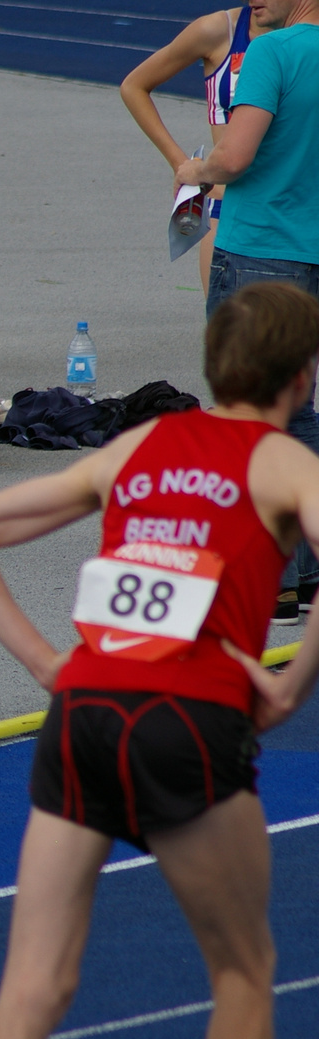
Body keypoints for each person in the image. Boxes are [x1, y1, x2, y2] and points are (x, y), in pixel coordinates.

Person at [0, 282, 319, 1039]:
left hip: (84, 712)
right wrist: (291, 685)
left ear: (215, 368)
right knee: (243, 975)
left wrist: (48, 665)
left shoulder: (140, 448)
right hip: (190, 717)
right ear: (302, 378)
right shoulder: (285, 460)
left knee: (32, 986)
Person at [176, 0, 319, 623]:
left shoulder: (272, 52)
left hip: (261, 249)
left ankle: (273, 578)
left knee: (248, 413)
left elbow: (235, 157)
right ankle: (308, 573)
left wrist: (195, 169)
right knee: (302, 409)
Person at [120, 6, 271, 292]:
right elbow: (134, 86)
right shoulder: (217, 30)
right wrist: (182, 165)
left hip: (298, 208)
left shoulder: (306, 39)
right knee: (229, 330)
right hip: (228, 208)